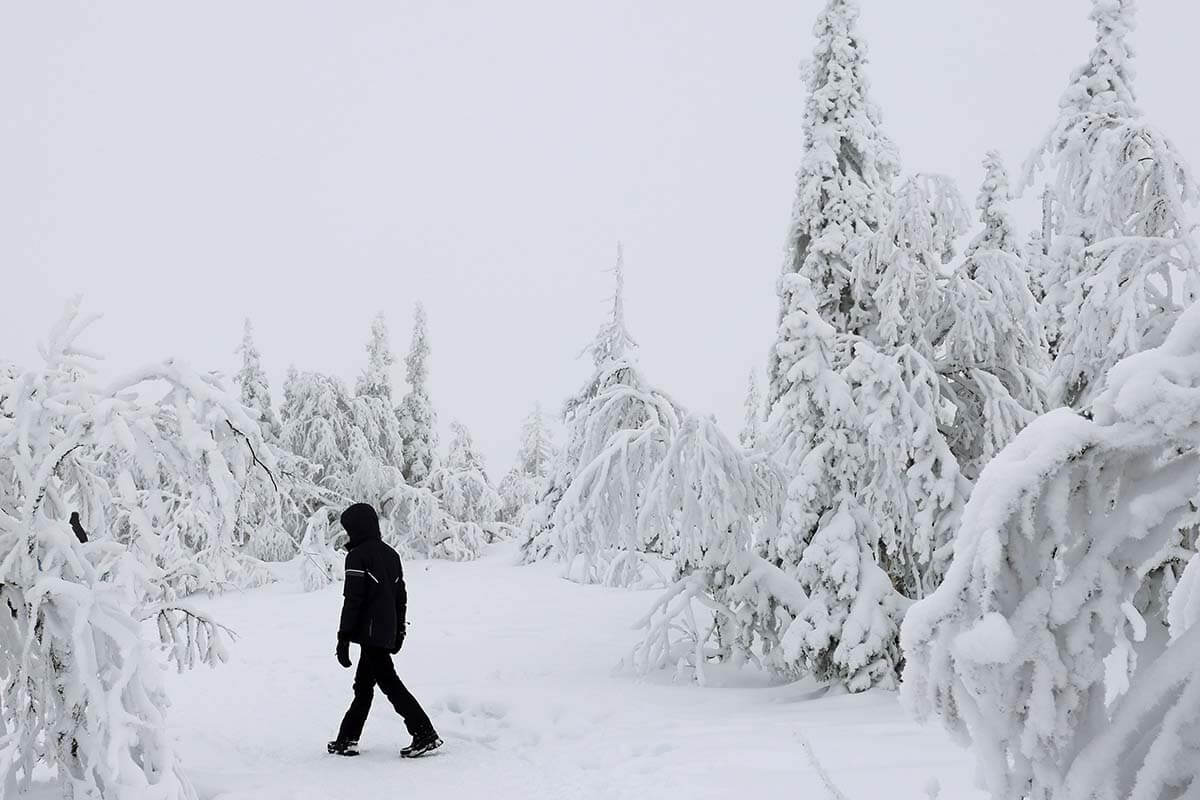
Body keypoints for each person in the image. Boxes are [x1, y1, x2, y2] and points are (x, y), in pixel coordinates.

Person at [326, 503, 441, 758]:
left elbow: (353, 599)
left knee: (389, 683)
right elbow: (401, 596)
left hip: (370, 634)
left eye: (349, 529)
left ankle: (424, 733)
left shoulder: (357, 557)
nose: (347, 534)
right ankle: (347, 739)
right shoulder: (391, 555)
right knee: (364, 687)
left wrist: (343, 637)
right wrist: (399, 631)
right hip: (384, 632)